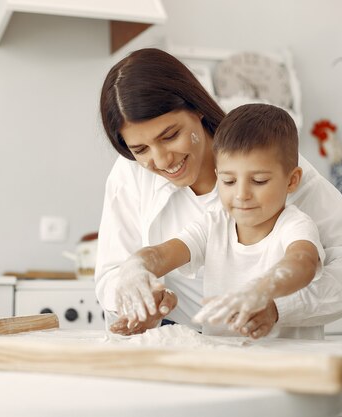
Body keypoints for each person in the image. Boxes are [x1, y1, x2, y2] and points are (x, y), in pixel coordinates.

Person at [95, 47, 342, 337]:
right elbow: (123, 270)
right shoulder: (137, 177)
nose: (161, 161)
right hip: (186, 341)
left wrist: (276, 304)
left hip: (273, 348)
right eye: (140, 149)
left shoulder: (273, 168)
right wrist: (138, 291)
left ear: (196, 106)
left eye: (170, 135)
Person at [115, 103, 324, 339]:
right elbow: (162, 254)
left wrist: (261, 290)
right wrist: (136, 268)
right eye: (229, 181)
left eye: (259, 180)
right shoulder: (213, 225)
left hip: (291, 369)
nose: (241, 194)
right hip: (225, 364)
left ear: (292, 180)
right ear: (218, 177)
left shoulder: (295, 225)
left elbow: (302, 262)